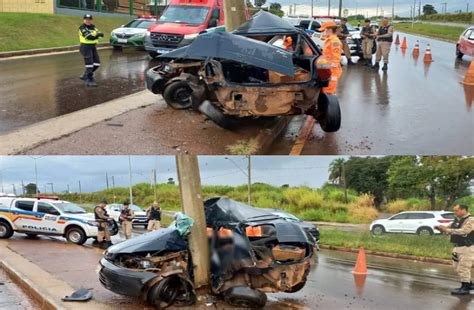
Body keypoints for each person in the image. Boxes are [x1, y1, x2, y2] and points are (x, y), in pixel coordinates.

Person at [435, 204, 474, 295]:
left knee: (463, 268)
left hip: (467, 247)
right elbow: (449, 228)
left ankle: (465, 288)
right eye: (454, 210)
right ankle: (469, 284)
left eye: (456, 210)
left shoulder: (471, 220)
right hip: (457, 247)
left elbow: (464, 231)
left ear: (464, 210)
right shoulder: (457, 220)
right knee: (456, 267)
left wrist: (448, 230)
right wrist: (441, 228)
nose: (455, 212)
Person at [78, 14, 104, 87]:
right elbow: (89, 37)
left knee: (97, 63)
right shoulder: (82, 27)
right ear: (84, 20)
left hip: (93, 47)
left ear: (91, 20)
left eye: (89, 19)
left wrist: (96, 35)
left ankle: (85, 74)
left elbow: (101, 34)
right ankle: (89, 80)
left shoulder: (93, 27)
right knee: (89, 65)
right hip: (85, 47)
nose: (88, 21)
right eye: (86, 19)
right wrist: (97, 35)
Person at [319, 21, 343, 95]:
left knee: (329, 91)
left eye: (324, 29)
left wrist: (328, 69)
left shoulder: (335, 41)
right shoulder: (329, 39)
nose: (323, 31)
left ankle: (329, 104)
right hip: (327, 68)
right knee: (325, 89)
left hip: (332, 70)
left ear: (330, 30)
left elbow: (336, 59)